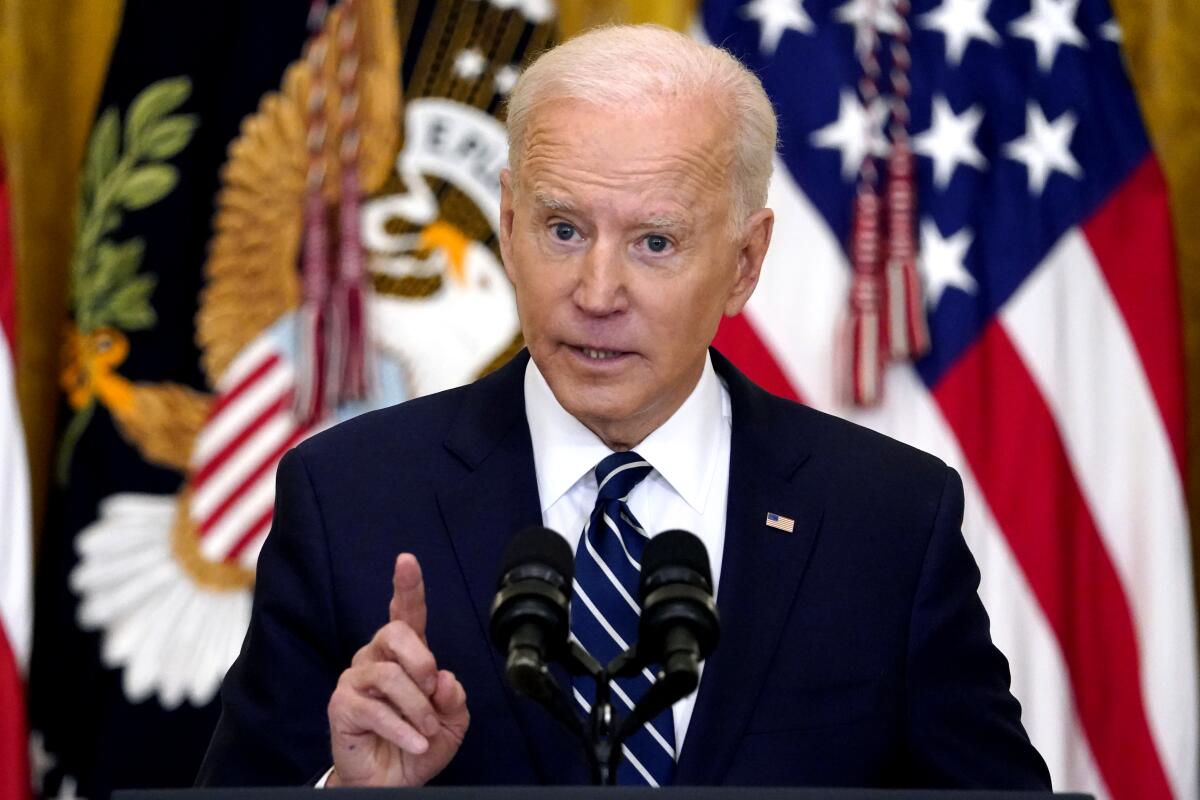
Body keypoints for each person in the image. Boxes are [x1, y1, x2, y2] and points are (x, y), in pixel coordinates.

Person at [197, 24, 1050, 789]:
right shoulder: (348, 497)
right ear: (506, 222)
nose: (596, 292)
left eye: (655, 242)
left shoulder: (889, 518)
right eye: (563, 229)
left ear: (745, 263)